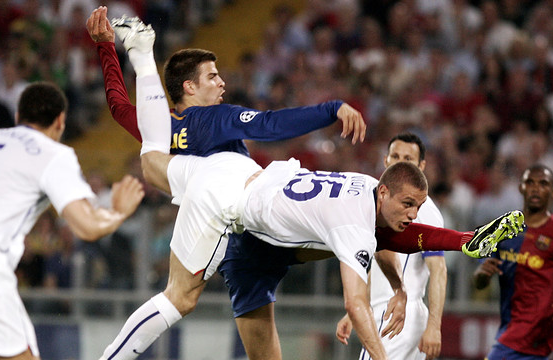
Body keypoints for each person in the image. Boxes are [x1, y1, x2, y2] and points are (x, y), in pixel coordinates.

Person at [94, 13, 525, 360]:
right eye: (212, 76)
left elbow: (119, 107)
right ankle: (144, 54)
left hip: (247, 227)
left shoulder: (171, 126)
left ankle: (141, 55)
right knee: (179, 295)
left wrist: (103, 51)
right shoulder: (217, 119)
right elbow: (270, 124)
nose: (222, 82)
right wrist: (330, 108)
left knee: (153, 159)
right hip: (236, 206)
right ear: (189, 87)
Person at [0, 82, 145, 360]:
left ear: (17, 117)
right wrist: (119, 211)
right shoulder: (51, 153)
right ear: (60, 122)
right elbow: (87, 227)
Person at [336, 132, 447, 360]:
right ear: (386, 160)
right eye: (395, 156)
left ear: (421, 166)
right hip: (384, 313)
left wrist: (434, 326)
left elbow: (439, 270)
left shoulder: (424, 212)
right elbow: (377, 264)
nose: (399, 163)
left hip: (398, 317)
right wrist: (355, 312)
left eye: (407, 159)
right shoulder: (379, 203)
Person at [473, 164, 553, 360]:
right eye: (530, 183)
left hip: (535, 338)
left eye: (543, 184)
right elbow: (480, 282)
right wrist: (481, 275)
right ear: (520, 188)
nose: (535, 188)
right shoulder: (504, 229)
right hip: (509, 332)